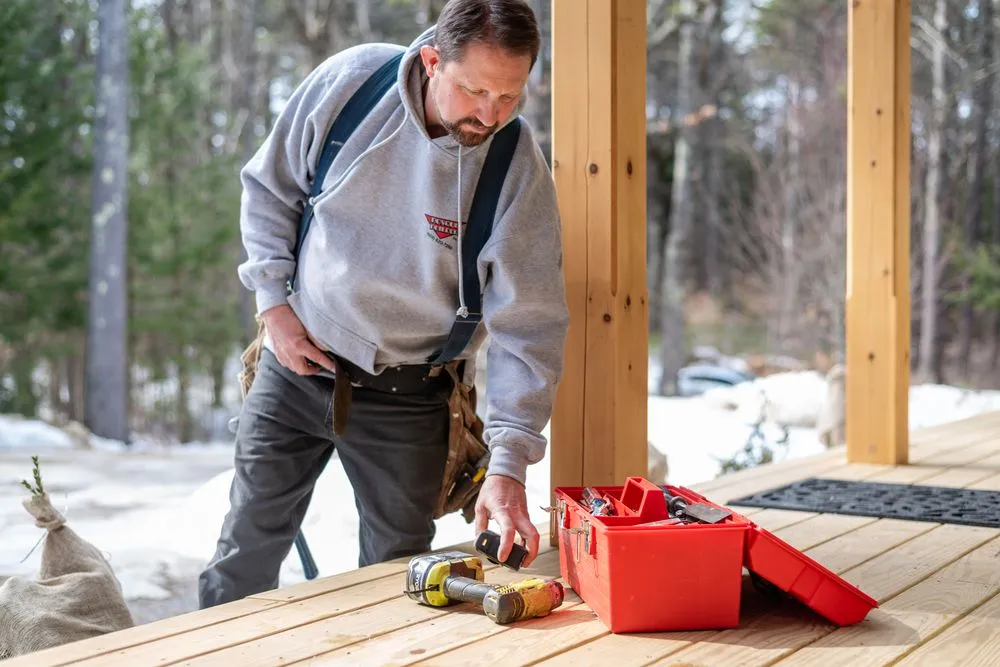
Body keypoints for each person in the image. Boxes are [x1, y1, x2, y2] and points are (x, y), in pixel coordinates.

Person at [198, 0, 569, 608]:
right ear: (431, 61)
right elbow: (270, 189)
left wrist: (509, 462)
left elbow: (527, 326)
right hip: (295, 361)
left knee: (401, 579)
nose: (489, 114)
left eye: (510, 96)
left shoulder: (514, 165)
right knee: (244, 553)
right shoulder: (352, 86)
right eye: (475, 90)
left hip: (410, 391)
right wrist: (274, 308)